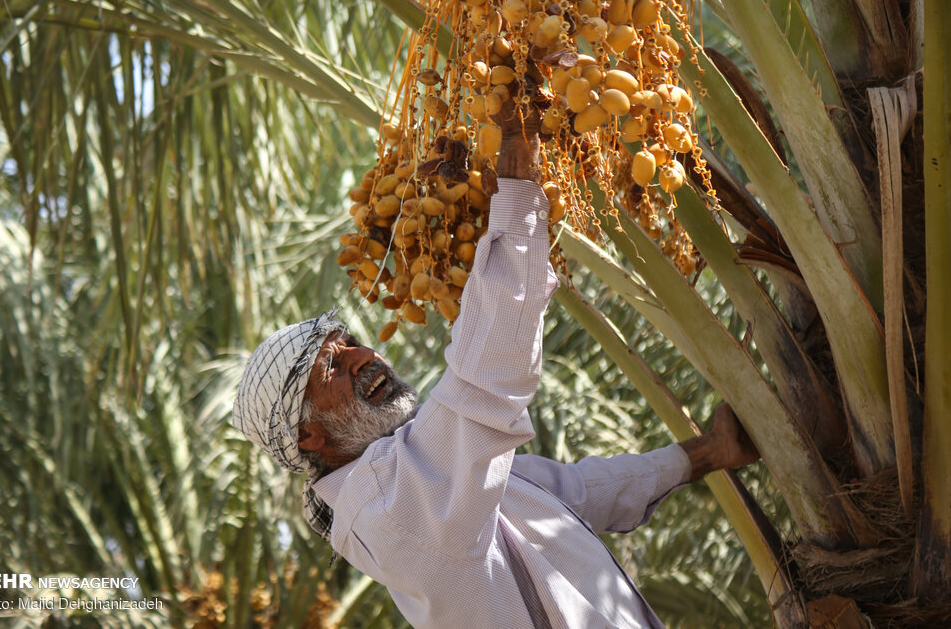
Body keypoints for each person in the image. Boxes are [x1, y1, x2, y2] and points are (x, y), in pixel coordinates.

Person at [232, 92, 760, 628]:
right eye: (332, 367)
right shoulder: (391, 508)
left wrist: (709, 452)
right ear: (309, 438)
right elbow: (485, 377)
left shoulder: (424, 483)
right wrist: (517, 165)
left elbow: (570, 496)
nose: (363, 357)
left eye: (350, 344)